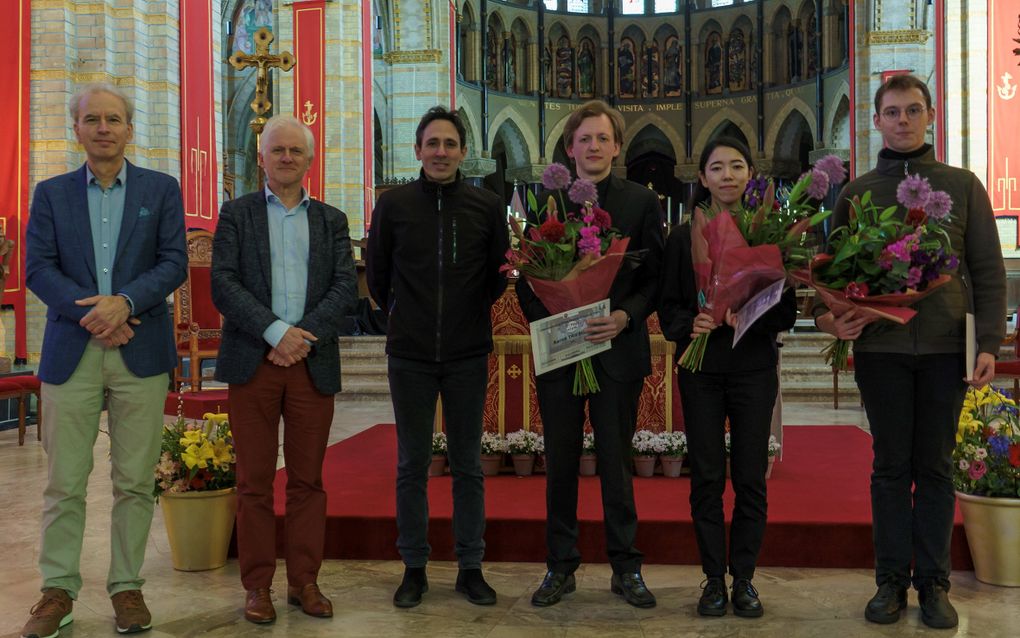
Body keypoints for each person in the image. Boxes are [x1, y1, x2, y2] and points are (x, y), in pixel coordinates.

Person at [814, 74, 1006, 629]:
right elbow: (831, 277)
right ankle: (890, 583)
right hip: (883, 349)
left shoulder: (963, 186)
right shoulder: (856, 193)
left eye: (912, 110)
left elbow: (989, 273)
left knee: (937, 467)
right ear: (875, 120)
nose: (902, 120)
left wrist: (987, 342)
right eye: (892, 111)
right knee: (890, 467)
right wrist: (832, 318)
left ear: (930, 116)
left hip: (948, 347)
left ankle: (935, 585)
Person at [22, 83, 188, 637]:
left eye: (113, 119)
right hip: (73, 350)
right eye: (91, 119)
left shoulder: (161, 189)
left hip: (140, 352)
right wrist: (93, 314)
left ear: (129, 129)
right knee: (64, 482)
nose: (103, 128)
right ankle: (57, 589)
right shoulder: (50, 194)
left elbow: (173, 263)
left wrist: (125, 303)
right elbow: (38, 268)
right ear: (78, 129)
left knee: (135, 481)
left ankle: (126, 586)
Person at [517, 100, 665, 609]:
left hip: (616, 348)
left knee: (617, 464)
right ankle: (560, 567)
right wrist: (553, 320)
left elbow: (654, 278)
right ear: (569, 147)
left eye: (603, 139)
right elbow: (525, 276)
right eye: (584, 139)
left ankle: (626, 568)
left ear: (617, 146)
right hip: (561, 351)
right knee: (559, 462)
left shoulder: (641, 202)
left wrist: (625, 316)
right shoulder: (543, 202)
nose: (594, 147)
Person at [211, 115, 358, 624]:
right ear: (262, 157)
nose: (287, 158)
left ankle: (304, 582)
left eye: (296, 151)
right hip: (255, 362)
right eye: (278, 150)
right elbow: (223, 284)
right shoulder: (236, 214)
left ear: (310, 160)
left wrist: (301, 337)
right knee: (253, 482)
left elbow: (344, 287)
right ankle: (257, 587)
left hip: (310, 363)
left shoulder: (332, 220)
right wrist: (276, 332)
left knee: (307, 482)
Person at [365, 106, 509, 609]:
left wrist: (464, 317)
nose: (441, 152)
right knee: (412, 463)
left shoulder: (486, 206)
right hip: (410, 354)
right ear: (418, 150)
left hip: (469, 352)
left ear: (464, 152)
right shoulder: (395, 205)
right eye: (432, 143)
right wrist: (406, 314)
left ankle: (471, 567)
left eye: (450, 144)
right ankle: (414, 567)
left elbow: (496, 277)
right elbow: (378, 276)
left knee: (469, 464)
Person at [658, 137, 797, 619]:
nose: (727, 175)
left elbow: (787, 312)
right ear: (703, 178)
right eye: (717, 168)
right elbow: (668, 307)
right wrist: (687, 325)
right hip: (701, 371)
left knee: (750, 479)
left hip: (753, 370)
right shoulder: (682, 238)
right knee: (707, 479)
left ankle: (745, 580)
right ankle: (713, 580)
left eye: (737, 166)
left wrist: (753, 316)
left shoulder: (767, 233)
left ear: (750, 173)